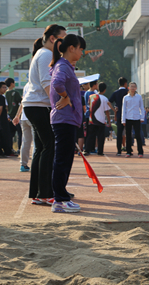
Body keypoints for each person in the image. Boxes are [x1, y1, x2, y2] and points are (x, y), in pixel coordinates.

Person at [24, 25, 68, 206]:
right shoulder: (44, 55)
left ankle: (38, 192)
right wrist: (59, 106)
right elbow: (46, 83)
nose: (64, 43)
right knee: (49, 147)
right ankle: (45, 192)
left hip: (36, 106)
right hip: (38, 106)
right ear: (52, 38)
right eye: (62, 38)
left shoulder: (42, 54)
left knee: (42, 148)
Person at [49, 34, 85, 213]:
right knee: (62, 160)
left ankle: (61, 197)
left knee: (65, 159)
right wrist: (65, 97)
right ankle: (60, 200)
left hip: (67, 119)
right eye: (80, 48)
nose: (82, 52)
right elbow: (57, 83)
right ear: (71, 48)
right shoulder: (62, 66)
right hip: (63, 119)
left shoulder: (64, 66)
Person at [86, 82, 112, 156]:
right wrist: (109, 121)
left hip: (92, 120)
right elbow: (107, 111)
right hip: (101, 121)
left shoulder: (91, 97)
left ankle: (87, 150)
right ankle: (100, 151)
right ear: (105, 90)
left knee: (90, 136)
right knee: (101, 137)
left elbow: (89, 105)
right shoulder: (105, 99)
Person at [12, 83, 33, 172]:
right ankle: (37, 165)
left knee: (25, 141)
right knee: (37, 142)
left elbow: (22, 102)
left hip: (24, 117)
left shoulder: (26, 85)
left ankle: (23, 164)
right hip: (34, 116)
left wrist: (18, 115)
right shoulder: (39, 83)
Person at [121, 82, 145, 158]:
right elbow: (123, 109)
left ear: (136, 88)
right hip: (128, 117)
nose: (132, 88)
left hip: (137, 118)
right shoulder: (125, 97)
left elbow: (142, 108)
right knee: (128, 135)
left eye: (134, 86)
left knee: (138, 135)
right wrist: (123, 120)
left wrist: (142, 117)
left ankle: (140, 152)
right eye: (131, 86)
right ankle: (128, 151)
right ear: (129, 87)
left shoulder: (139, 97)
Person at [109, 77, 129, 157]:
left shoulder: (116, 93)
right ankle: (128, 149)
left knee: (119, 133)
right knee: (128, 132)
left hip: (119, 114)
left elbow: (109, 102)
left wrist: (114, 110)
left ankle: (119, 150)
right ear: (125, 83)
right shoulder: (128, 92)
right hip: (128, 115)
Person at [5, 77, 22, 154]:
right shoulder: (15, 93)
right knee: (20, 132)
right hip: (16, 116)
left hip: (9, 116)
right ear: (12, 84)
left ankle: (11, 149)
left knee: (11, 134)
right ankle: (19, 149)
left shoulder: (5, 93)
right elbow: (21, 102)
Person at [0, 81, 13, 156]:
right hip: (2, 122)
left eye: (6, 87)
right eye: (3, 87)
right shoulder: (1, 97)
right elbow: (0, 109)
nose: (5, 89)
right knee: (5, 136)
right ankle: (7, 152)